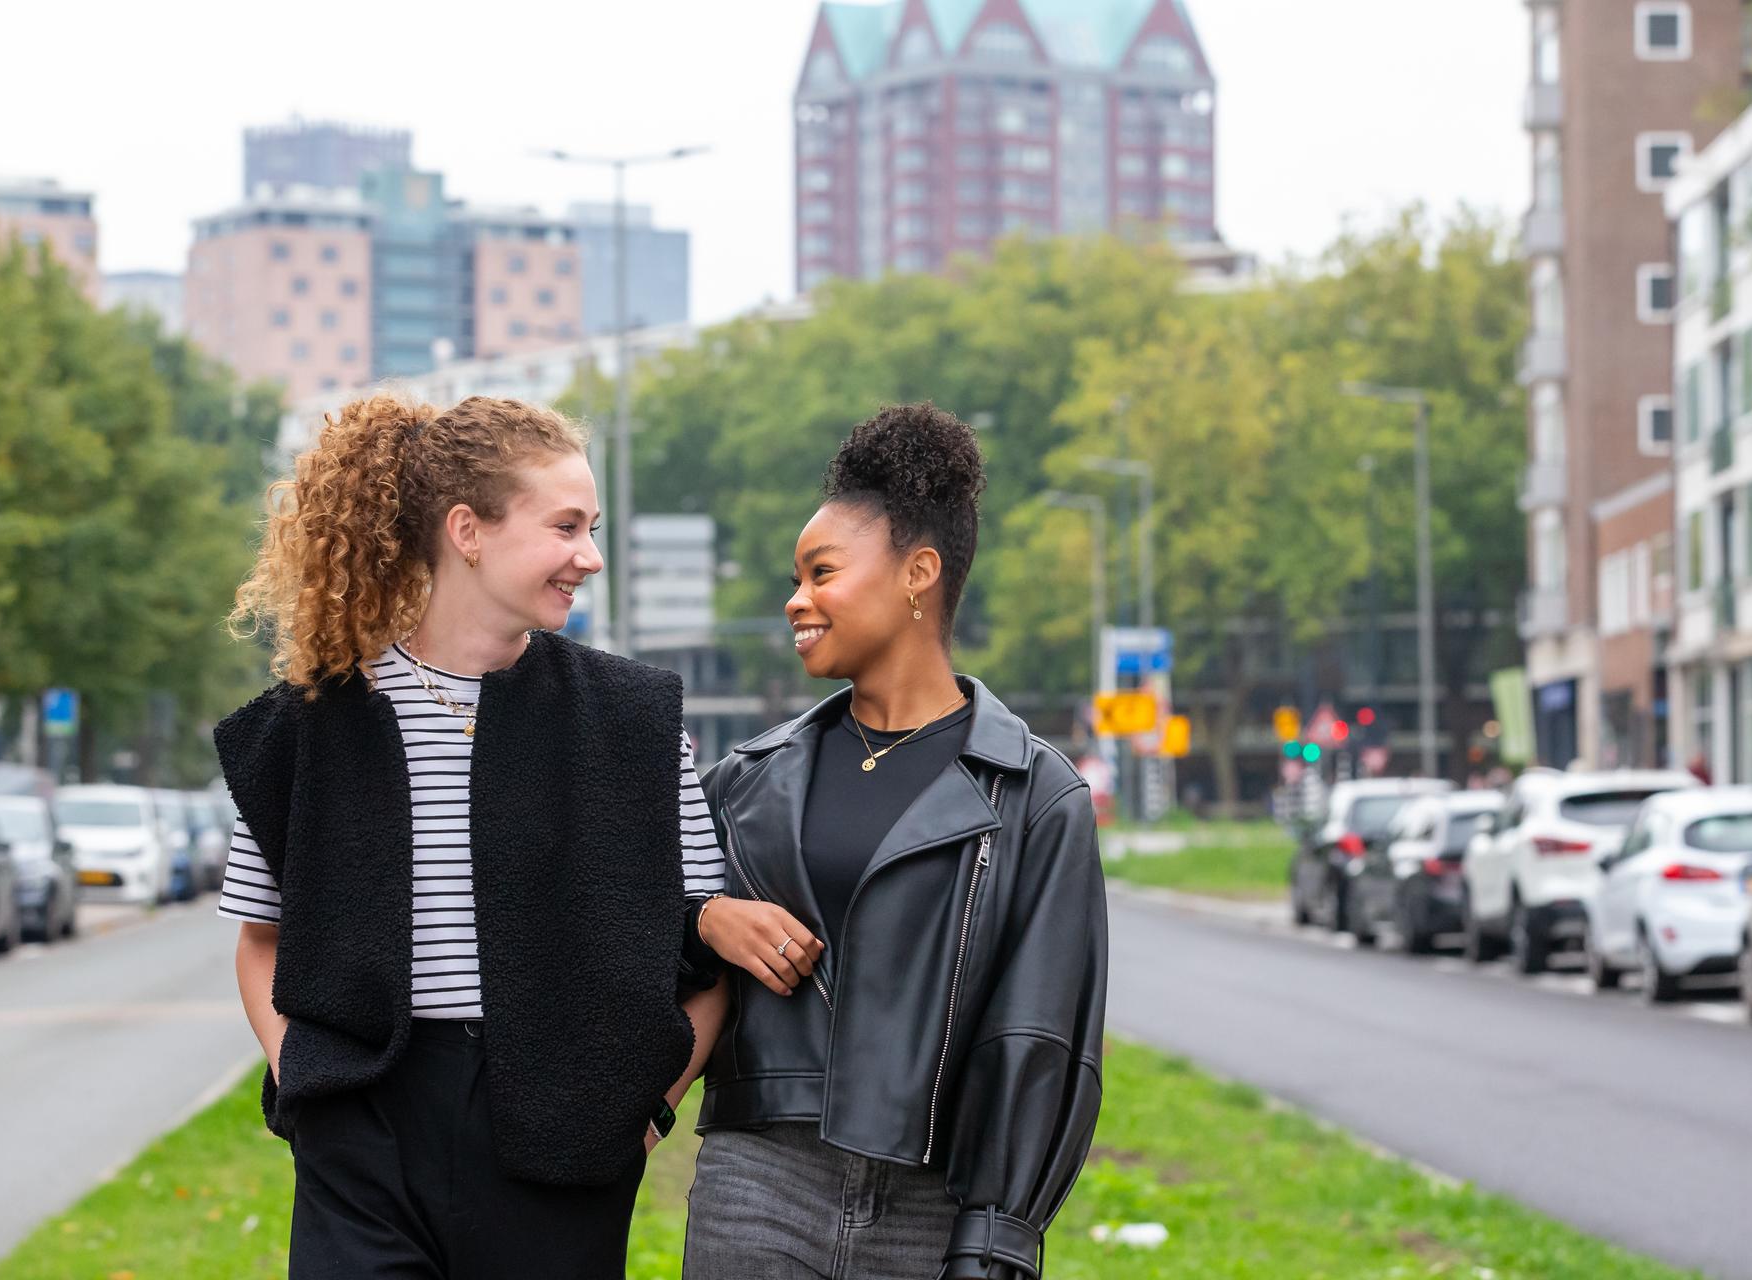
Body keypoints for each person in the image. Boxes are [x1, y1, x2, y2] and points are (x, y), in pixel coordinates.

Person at [215, 392, 728, 1279]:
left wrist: (648, 1113)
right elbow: (262, 940)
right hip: (364, 1129)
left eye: (592, 528)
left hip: (566, 1135)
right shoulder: (310, 725)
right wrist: (301, 1074)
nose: (590, 556)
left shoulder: (637, 721)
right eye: (565, 527)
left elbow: (704, 953)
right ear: (467, 530)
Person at [681, 404, 1108, 1280]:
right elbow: (627, 931)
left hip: (934, 1204)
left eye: (822, 573)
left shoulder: (1037, 797)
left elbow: (1039, 1037)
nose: (796, 600)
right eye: (795, 578)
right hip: (760, 1180)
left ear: (919, 574)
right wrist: (703, 917)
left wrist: (998, 1236)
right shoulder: (741, 783)